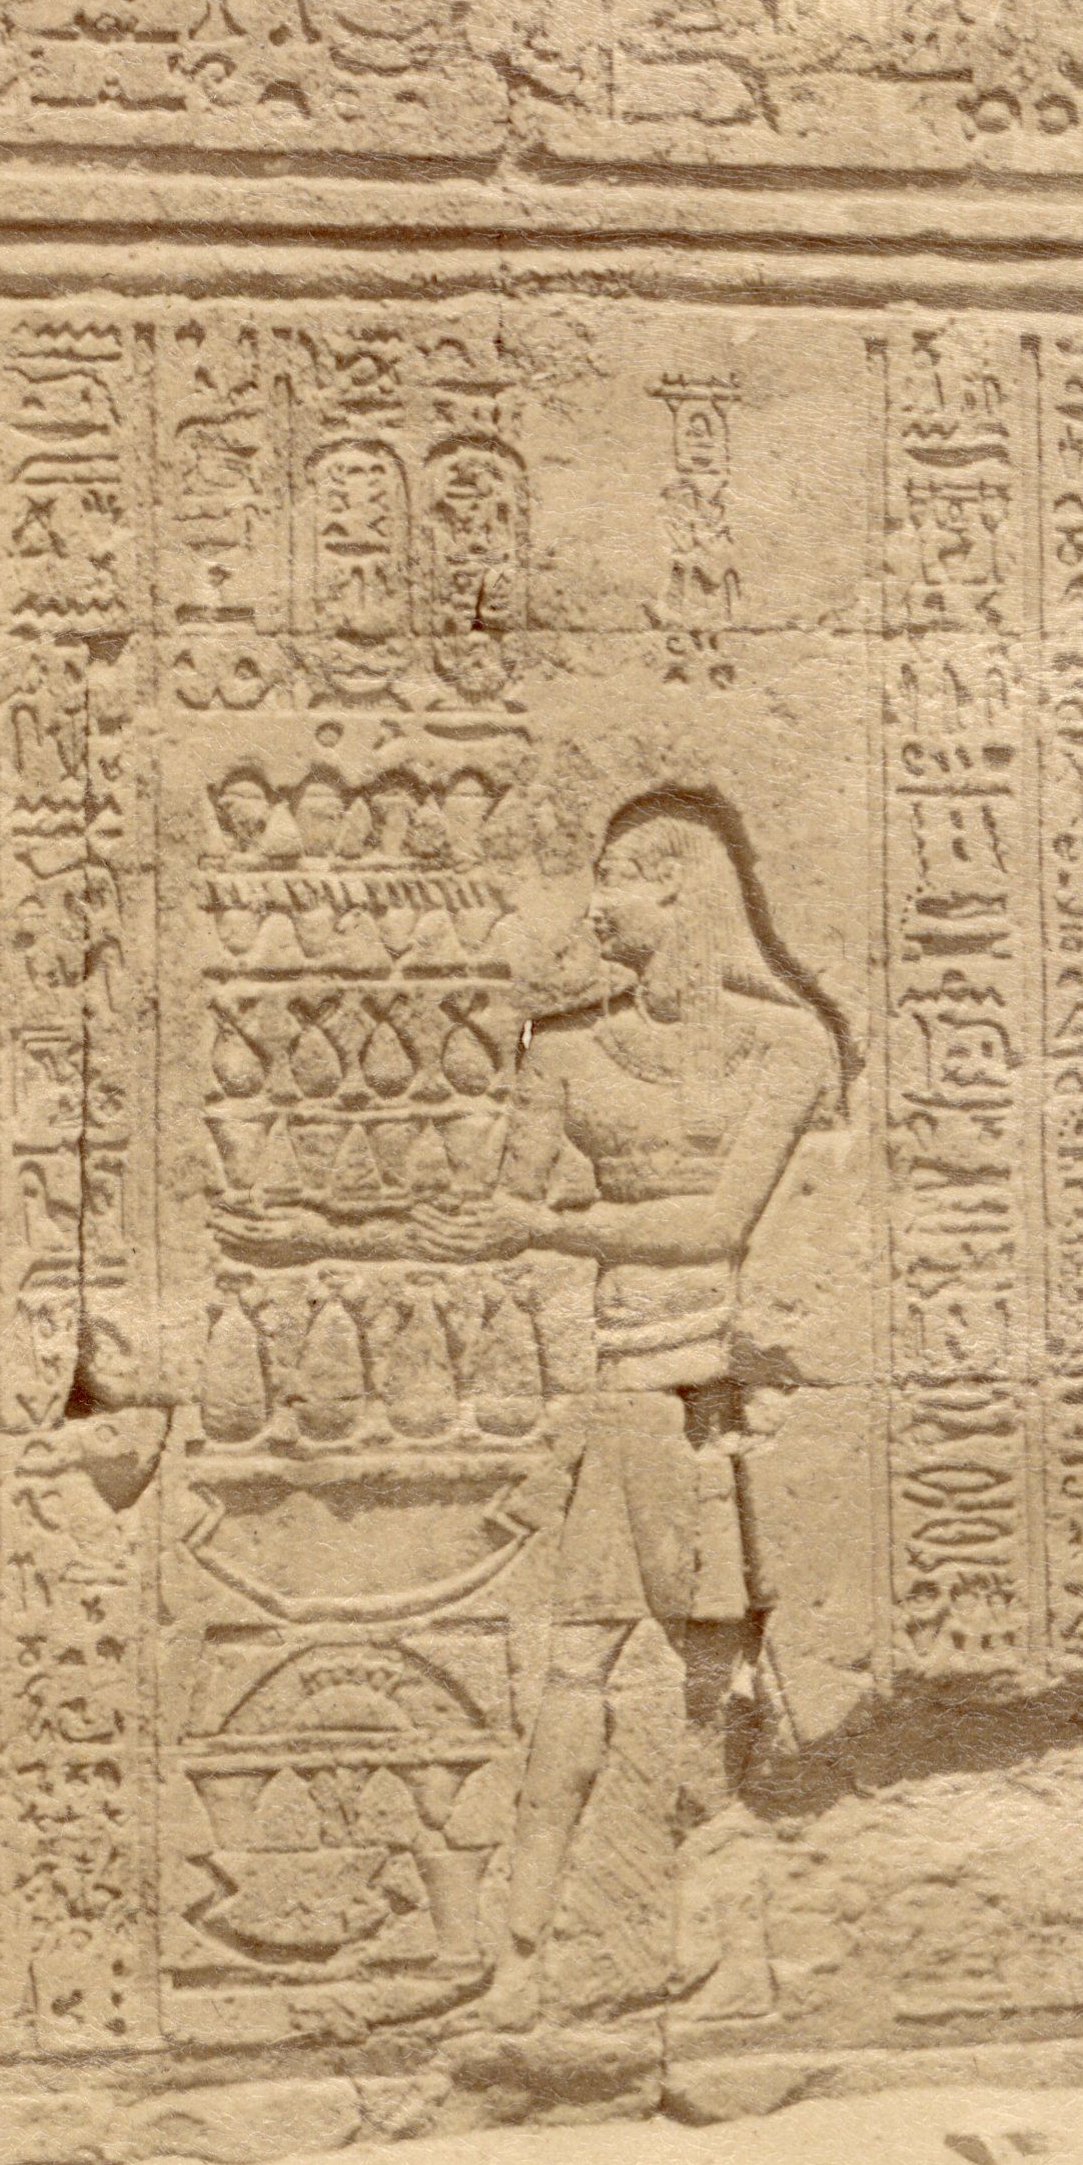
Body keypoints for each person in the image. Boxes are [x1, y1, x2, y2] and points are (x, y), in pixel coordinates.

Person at [436, 793, 844, 2021]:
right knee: (578, 1665)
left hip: (731, 1395)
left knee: (715, 1680)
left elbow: (718, 1223)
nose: (594, 905)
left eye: (614, 876)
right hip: (621, 1388)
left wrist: (555, 1226)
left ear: (681, 891)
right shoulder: (562, 1052)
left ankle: (722, 1950)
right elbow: (494, 1210)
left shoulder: (785, 1046)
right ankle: (521, 1949)